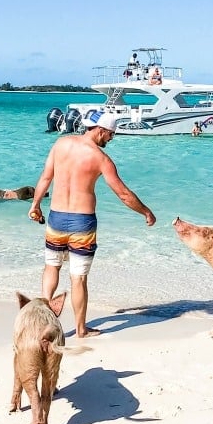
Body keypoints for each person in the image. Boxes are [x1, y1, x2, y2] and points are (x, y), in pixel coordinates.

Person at [28, 110, 156, 336]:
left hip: (56, 217)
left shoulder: (61, 144)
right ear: (101, 130)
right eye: (111, 135)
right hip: (82, 223)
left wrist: (35, 205)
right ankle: (80, 329)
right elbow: (123, 194)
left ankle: (43, 320)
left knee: (51, 266)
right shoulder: (100, 158)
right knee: (78, 278)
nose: (111, 139)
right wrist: (146, 212)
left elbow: (46, 177)